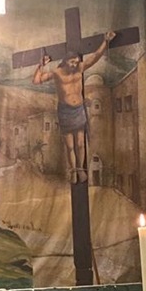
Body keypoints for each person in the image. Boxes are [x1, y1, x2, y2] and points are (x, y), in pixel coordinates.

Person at [33, 31, 116, 184]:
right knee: (70, 146)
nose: (74, 65)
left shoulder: (80, 68)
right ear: (66, 61)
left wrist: (106, 41)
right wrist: (41, 65)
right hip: (65, 111)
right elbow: (37, 81)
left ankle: (80, 169)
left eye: (76, 62)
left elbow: (95, 56)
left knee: (80, 143)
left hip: (79, 110)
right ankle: (73, 171)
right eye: (72, 62)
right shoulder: (57, 72)